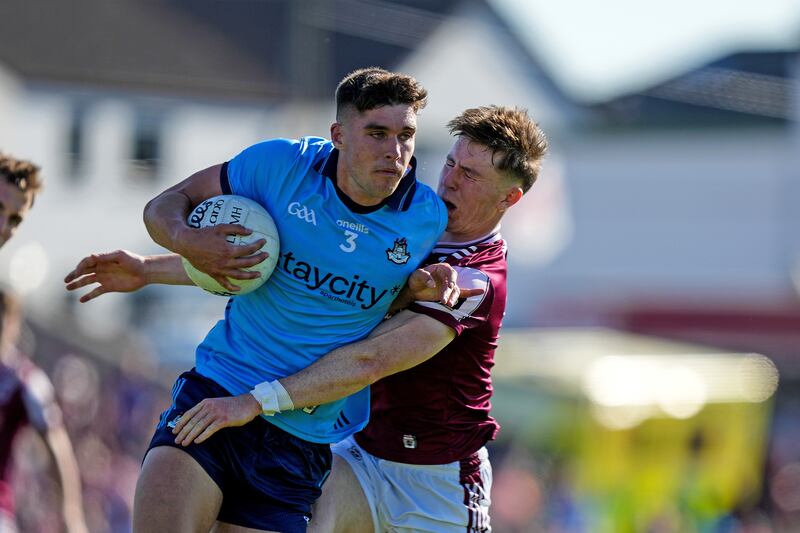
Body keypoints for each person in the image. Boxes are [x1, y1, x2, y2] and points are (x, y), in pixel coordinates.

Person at [65, 105, 548, 532]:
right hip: (358, 458)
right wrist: (150, 270)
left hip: (436, 484)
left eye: (472, 176)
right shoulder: (414, 220)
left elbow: (369, 360)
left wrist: (256, 402)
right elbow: (297, 275)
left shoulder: (477, 281)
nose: (450, 181)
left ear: (510, 199)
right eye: (451, 163)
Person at [0, 155, 88, 533]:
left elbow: (56, 444)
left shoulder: (19, 379)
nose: (5, 227)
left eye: (15, 219)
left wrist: (71, 519)